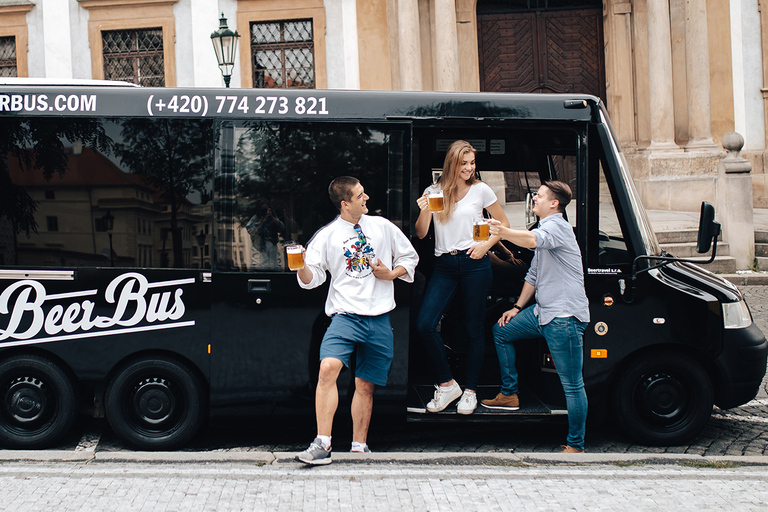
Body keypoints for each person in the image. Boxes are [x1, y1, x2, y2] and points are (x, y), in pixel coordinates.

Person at [294, 176, 418, 465]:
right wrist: (300, 269)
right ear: (345, 203)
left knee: (365, 385)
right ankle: (322, 444)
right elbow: (313, 278)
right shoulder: (327, 235)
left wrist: (391, 273)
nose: (367, 199)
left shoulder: (382, 227)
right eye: (361, 196)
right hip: (345, 317)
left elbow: (410, 257)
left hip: (379, 319)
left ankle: (359, 447)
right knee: (327, 370)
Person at [481, 180, 590, 453]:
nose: (535, 199)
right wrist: (517, 308)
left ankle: (575, 446)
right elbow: (533, 275)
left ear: (554, 203)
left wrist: (503, 231)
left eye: (539, 196)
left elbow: (531, 241)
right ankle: (509, 393)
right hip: (543, 312)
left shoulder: (557, 228)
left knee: (573, 384)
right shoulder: (545, 227)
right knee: (502, 330)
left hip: (563, 316)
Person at [415, 140, 509, 415]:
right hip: (444, 263)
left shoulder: (481, 190)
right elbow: (422, 233)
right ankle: (447, 385)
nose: (469, 168)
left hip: (474, 263)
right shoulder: (434, 191)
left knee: (473, 328)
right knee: (425, 324)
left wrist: (485, 246)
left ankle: (470, 391)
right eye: (464, 163)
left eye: (472, 163)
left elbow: (503, 225)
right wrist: (424, 208)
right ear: (452, 164)